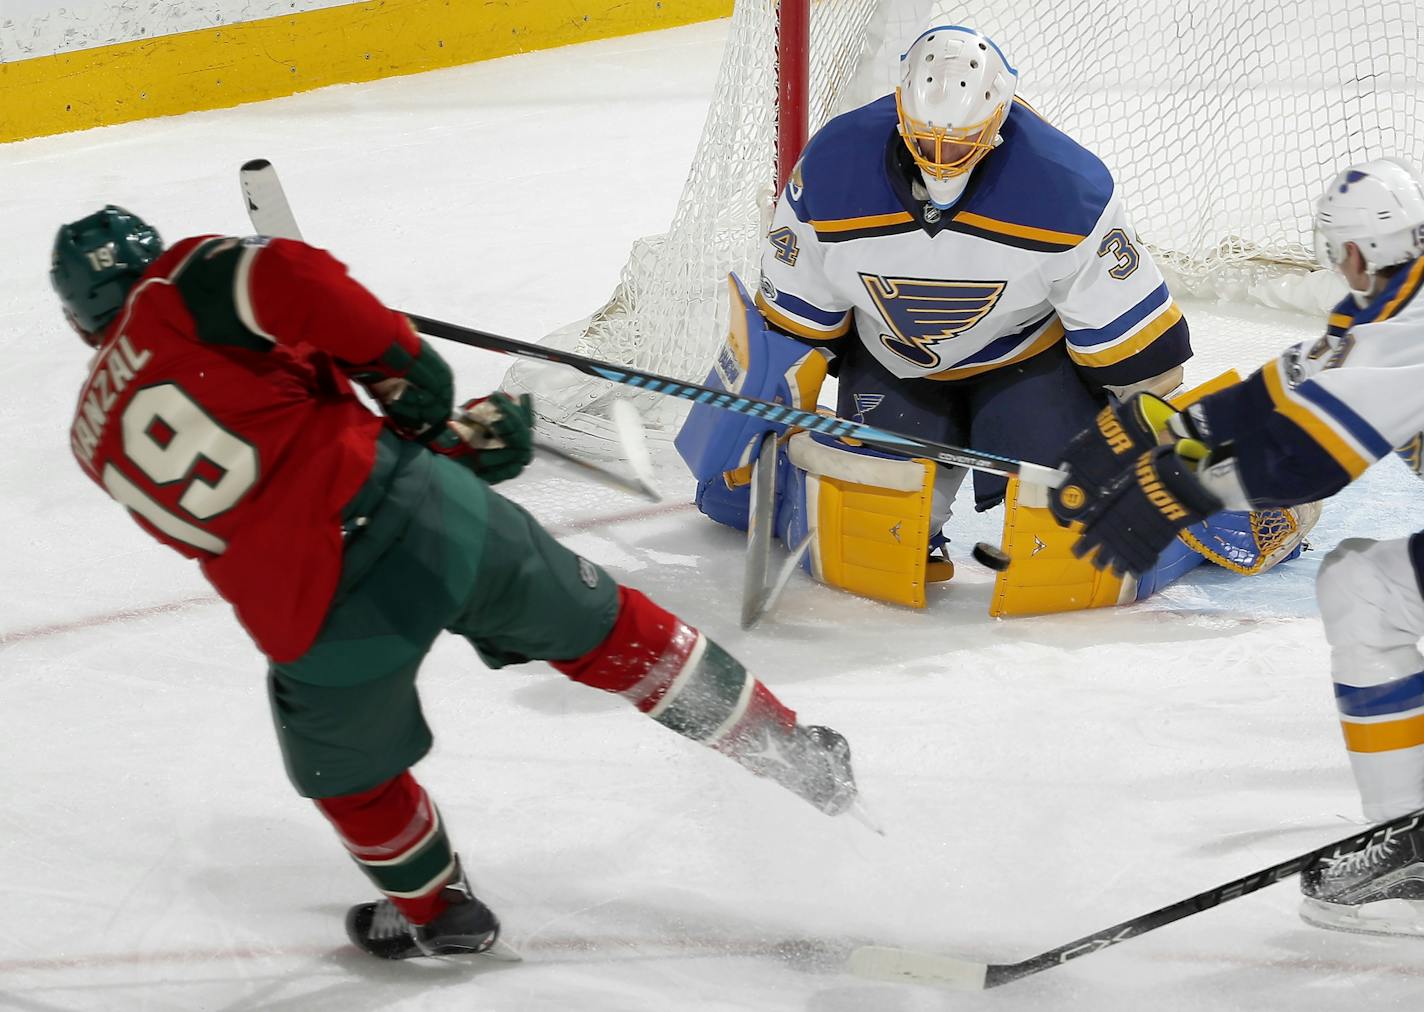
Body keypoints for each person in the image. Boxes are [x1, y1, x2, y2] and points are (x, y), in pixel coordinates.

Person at [53, 206, 858, 961]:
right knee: (607, 630)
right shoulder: (181, 281)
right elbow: (298, 283)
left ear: (77, 320)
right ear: (148, 261)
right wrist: (416, 394)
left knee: (349, 775)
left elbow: (267, 492)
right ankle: (784, 747)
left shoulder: (92, 435)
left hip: (313, 611)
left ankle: (439, 913)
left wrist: (410, 434)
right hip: (423, 516)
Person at [675, 21, 1310, 616]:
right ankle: (794, 490)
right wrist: (765, 429)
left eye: (962, 140)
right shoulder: (832, 168)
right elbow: (794, 327)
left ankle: (1213, 499)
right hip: (892, 360)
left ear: (1001, 115)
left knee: (1075, 546)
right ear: (899, 109)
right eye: (926, 139)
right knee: (859, 541)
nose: (941, 158)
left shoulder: (1068, 188)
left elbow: (1143, 360)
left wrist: (1142, 457)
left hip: (1025, 364)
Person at [1057, 157, 1424, 936]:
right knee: (1365, 579)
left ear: (1350, 253)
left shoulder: (1407, 326)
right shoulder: (1392, 307)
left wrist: (1176, 492)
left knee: (1365, 588)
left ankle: (1413, 852)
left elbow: (1307, 460)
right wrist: (1159, 432)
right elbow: (1276, 391)